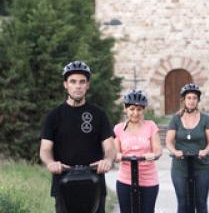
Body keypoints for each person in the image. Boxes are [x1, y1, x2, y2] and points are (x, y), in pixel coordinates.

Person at [40, 61, 115, 213]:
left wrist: (107, 160)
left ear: (88, 85)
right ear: (65, 85)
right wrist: (51, 163)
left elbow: (110, 147)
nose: (78, 86)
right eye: (73, 81)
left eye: (82, 82)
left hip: (94, 182)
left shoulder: (98, 114)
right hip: (64, 181)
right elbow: (45, 149)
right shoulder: (54, 116)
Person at [166, 84, 209, 213]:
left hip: (202, 165)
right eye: (189, 98)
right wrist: (175, 152)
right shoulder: (176, 119)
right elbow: (169, 141)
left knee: (201, 202)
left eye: (194, 98)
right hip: (180, 166)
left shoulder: (205, 119)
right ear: (184, 100)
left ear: (198, 100)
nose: (191, 101)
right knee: (183, 203)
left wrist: (205, 151)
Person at [114, 89, 162, 213]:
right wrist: (117, 155)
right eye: (132, 109)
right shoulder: (118, 129)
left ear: (143, 110)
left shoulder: (150, 126)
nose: (135, 113)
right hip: (126, 179)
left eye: (139, 109)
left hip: (148, 178)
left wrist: (153, 154)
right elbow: (114, 151)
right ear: (125, 109)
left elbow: (158, 149)